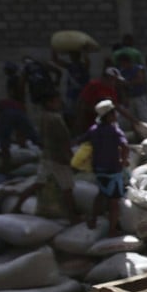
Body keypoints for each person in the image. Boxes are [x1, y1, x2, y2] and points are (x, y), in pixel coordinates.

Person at [80, 100, 129, 236]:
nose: (116, 116)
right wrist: (123, 161)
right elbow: (125, 146)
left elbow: (83, 141)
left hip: (98, 169)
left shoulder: (93, 130)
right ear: (109, 116)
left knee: (101, 194)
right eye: (114, 113)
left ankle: (93, 220)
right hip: (112, 169)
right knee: (114, 202)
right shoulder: (115, 130)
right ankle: (112, 230)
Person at [33, 92, 80, 222]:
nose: (60, 103)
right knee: (67, 188)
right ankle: (73, 216)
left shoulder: (43, 116)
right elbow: (65, 142)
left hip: (47, 155)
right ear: (49, 103)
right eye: (57, 101)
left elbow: (41, 137)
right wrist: (72, 161)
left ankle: (18, 205)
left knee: (38, 183)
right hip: (59, 159)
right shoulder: (56, 118)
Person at [77, 67, 125, 132]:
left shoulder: (111, 90)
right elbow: (83, 103)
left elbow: (116, 106)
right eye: (114, 80)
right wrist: (80, 120)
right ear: (107, 78)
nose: (115, 83)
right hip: (90, 120)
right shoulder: (94, 85)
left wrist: (134, 121)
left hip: (104, 121)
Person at [51, 49, 90, 119]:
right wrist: (54, 48)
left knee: (80, 114)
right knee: (70, 114)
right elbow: (55, 60)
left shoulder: (82, 66)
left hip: (81, 94)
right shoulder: (70, 66)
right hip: (71, 94)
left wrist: (85, 51)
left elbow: (87, 62)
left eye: (73, 55)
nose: (71, 57)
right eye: (71, 55)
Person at [116, 53, 147, 123]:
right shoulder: (122, 72)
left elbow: (140, 80)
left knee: (143, 115)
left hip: (139, 95)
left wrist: (128, 83)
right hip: (130, 96)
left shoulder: (137, 68)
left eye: (122, 63)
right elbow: (121, 86)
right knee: (133, 117)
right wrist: (124, 97)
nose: (122, 65)